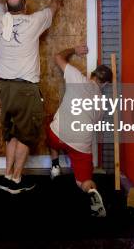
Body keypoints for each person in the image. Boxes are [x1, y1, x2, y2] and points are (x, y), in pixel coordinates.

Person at [0, 0, 64, 194]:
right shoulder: (34, 21)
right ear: (24, 8)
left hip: (5, 88)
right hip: (25, 88)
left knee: (12, 133)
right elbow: (55, 5)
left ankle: (7, 176)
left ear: (8, 8)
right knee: (25, 135)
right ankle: (16, 180)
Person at [47, 45, 113, 217]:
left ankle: (55, 166)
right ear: (105, 84)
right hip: (80, 145)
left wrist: (74, 50)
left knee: (51, 127)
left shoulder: (76, 77)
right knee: (83, 180)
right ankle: (91, 192)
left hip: (57, 135)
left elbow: (58, 55)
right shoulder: (101, 105)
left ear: (92, 74)